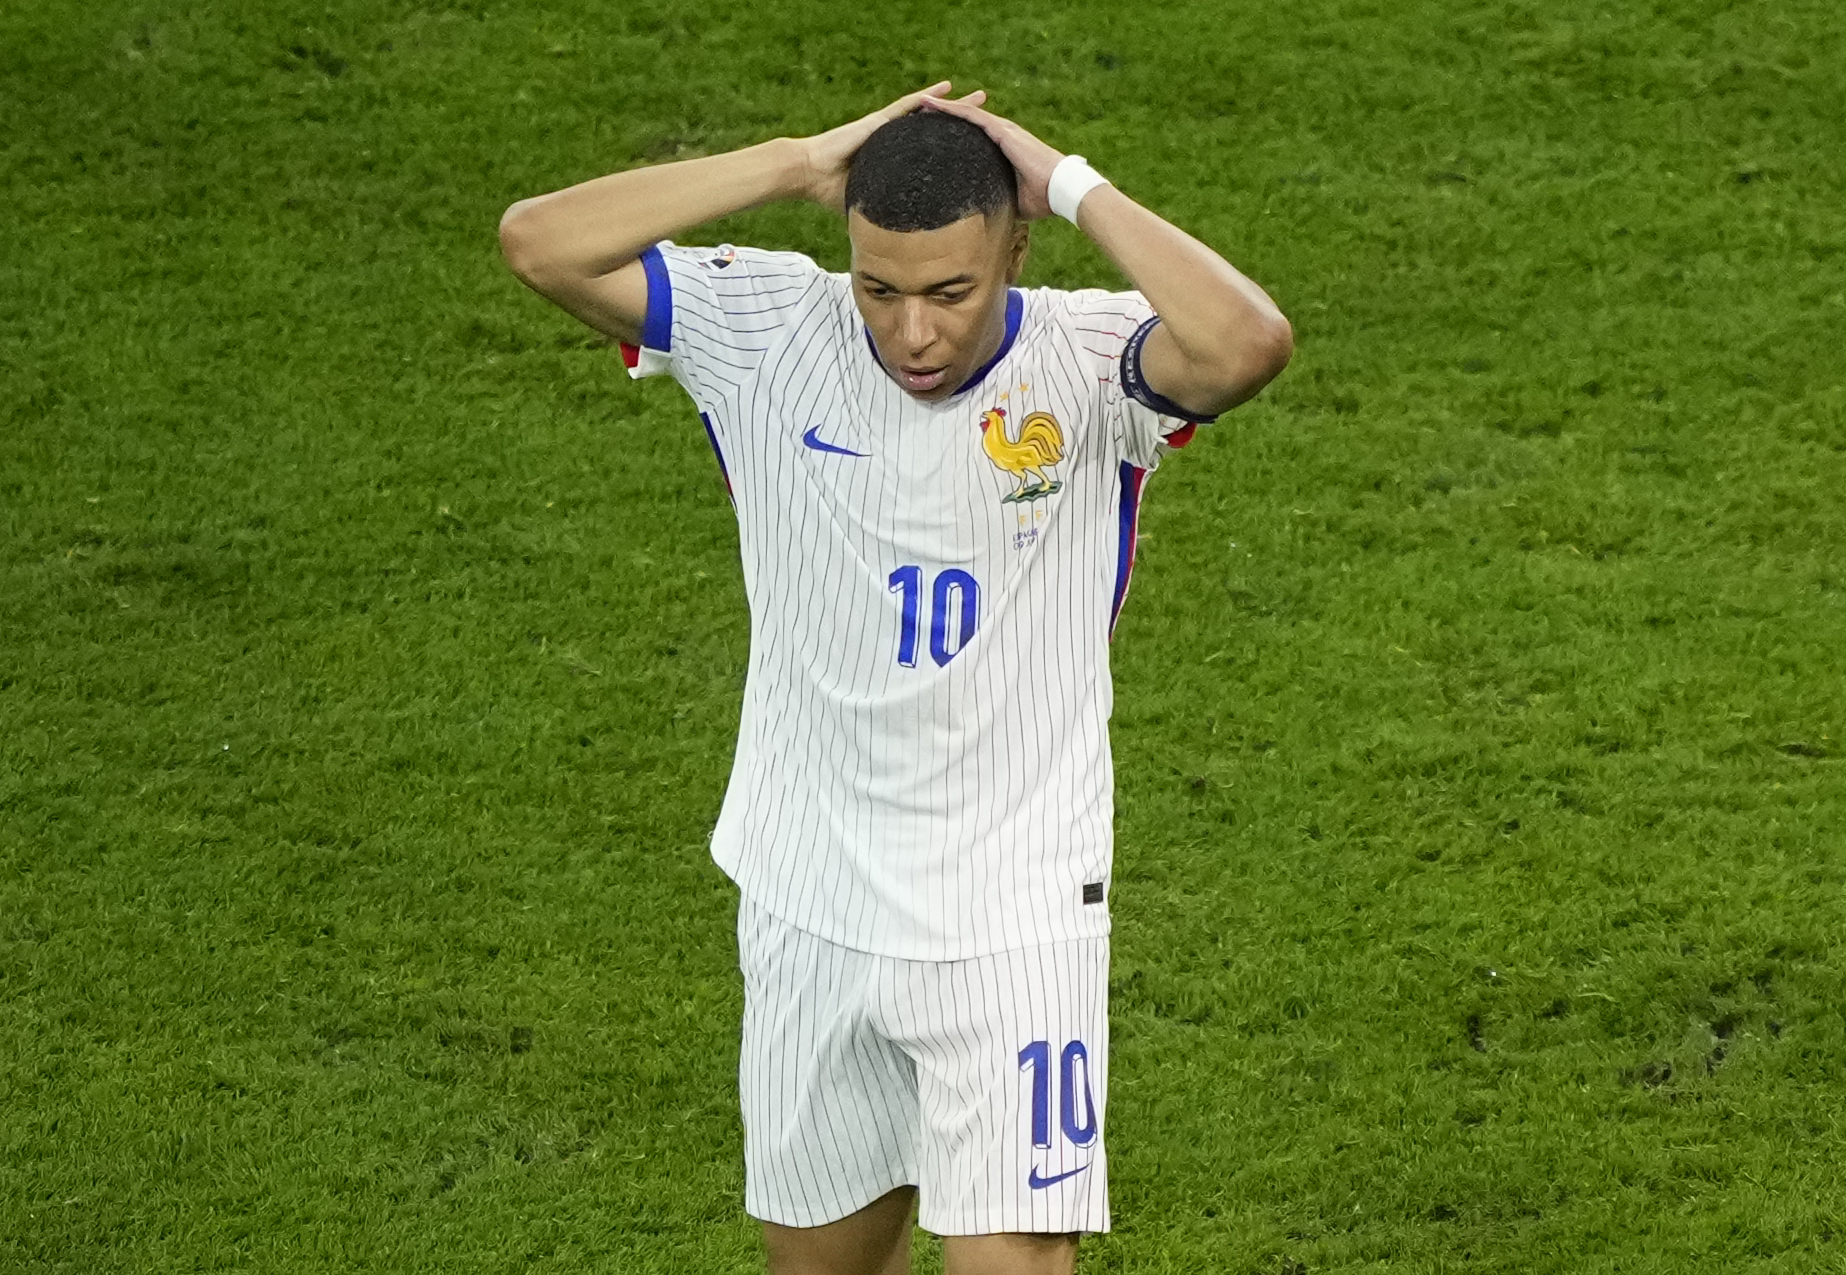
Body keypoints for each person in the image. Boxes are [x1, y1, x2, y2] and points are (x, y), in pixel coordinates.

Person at [499, 81, 1291, 1275]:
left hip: (1013, 926)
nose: (911, 333)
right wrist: (794, 162)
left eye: (950, 293)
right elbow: (538, 240)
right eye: (879, 289)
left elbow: (1248, 343)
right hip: (808, 903)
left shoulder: (1088, 363)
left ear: (1015, 250)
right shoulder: (762, 329)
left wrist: (1065, 177)